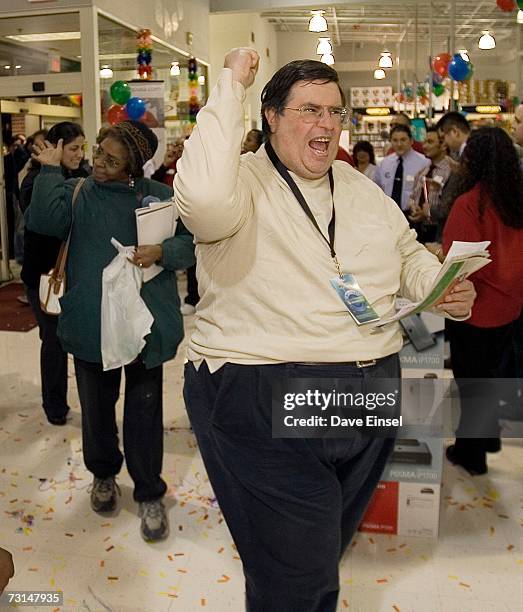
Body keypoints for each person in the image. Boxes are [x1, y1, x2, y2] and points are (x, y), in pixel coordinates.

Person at [174, 48, 475, 611]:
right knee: (300, 575)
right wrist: (230, 85)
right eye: (310, 110)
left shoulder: (356, 185)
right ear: (271, 116)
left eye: (335, 112)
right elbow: (202, 199)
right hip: (267, 390)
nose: (327, 125)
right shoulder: (239, 183)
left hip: (366, 394)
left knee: (312, 551)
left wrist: (441, 284)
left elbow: (403, 251)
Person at [26, 120, 195, 542]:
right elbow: (43, 220)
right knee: (97, 411)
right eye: (99, 152)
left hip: (144, 328)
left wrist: (163, 250)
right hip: (92, 326)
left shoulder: (158, 198)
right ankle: (103, 474)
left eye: (111, 159)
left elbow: (192, 244)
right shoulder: (80, 191)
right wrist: (50, 170)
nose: (98, 162)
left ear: (133, 168)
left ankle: (149, 491)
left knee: (143, 412)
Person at [442, 127, 523, 476]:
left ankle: (470, 453)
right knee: (492, 375)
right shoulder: (515, 201)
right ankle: (489, 438)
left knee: (472, 382)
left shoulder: (469, 204)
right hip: (510, 305)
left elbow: (456, 262)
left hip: (474, 308)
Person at [19, 122, 88, 426]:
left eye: (83, 147)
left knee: (61, 338)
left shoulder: (77, 176)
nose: (80, 154)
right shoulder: (36, 180)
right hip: (44, 277)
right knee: (54, 340)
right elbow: (46, 224)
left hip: (70, 275)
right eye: (74, 148)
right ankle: (55, 406)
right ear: (56, 147)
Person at [407, 126, 452, 244]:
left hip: (439, 230)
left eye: (430, 142)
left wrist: (428, 212)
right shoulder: (423, 172)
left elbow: (449, 205)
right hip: (419, 229)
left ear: (443, 145)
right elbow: (412, 196)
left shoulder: (450, 172)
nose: (425, 146)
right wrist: (414, 207)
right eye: (424, 142)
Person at [374, 124, 429, 217]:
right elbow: (377, 189)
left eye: (403, 140)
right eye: (395, 140)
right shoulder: (384, 163)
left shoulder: (424, 163)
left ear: (411, 141)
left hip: (412, 214)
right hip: (388, 215)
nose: (399, 144)